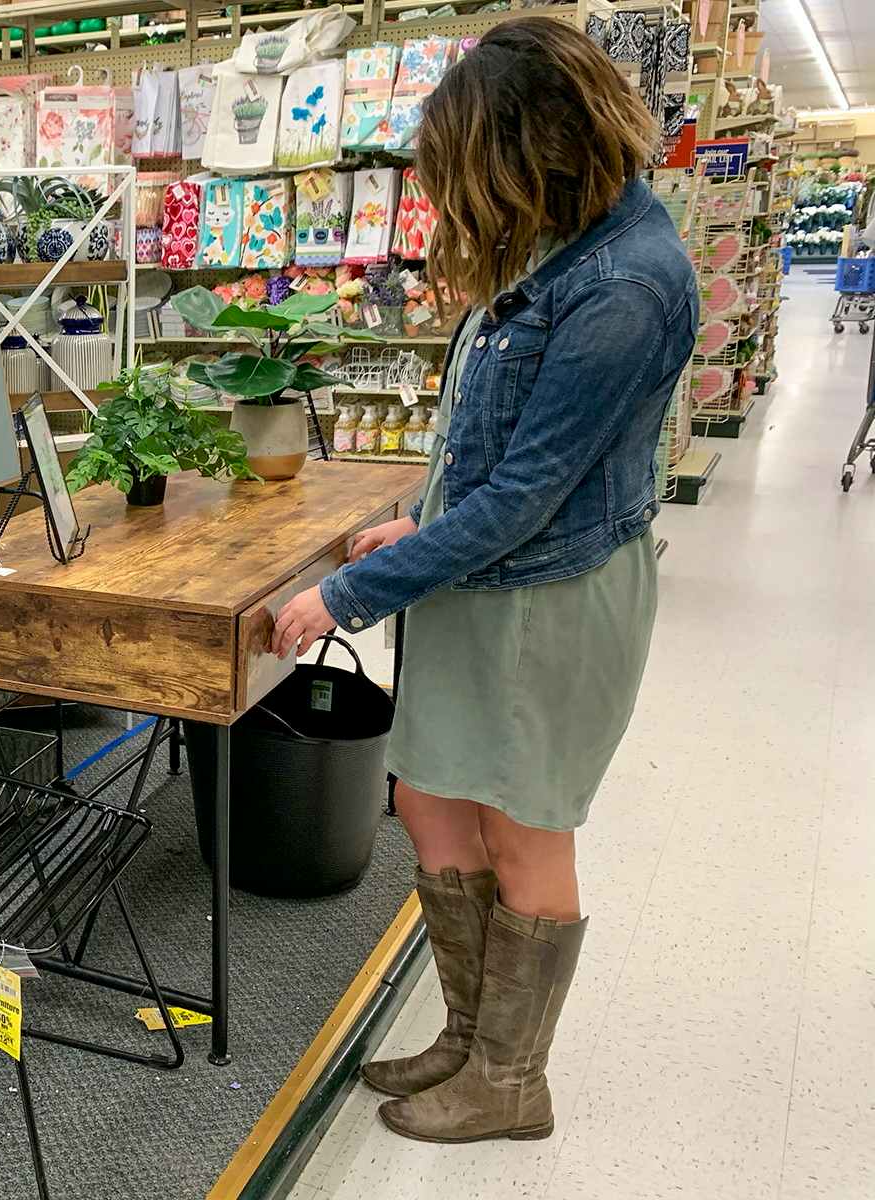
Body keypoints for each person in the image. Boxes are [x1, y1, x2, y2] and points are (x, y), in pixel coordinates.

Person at [272, 18, 698, 1144]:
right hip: (482, 578)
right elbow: (495, 446)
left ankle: (512, 1079)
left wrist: (345, 598)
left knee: (523, 829)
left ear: (531, 151)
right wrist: (419, 521)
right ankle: (470, 1036)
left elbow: (527, 498)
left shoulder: (626, 284)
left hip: (550, 597)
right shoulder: (558, 242)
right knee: (429, 799)